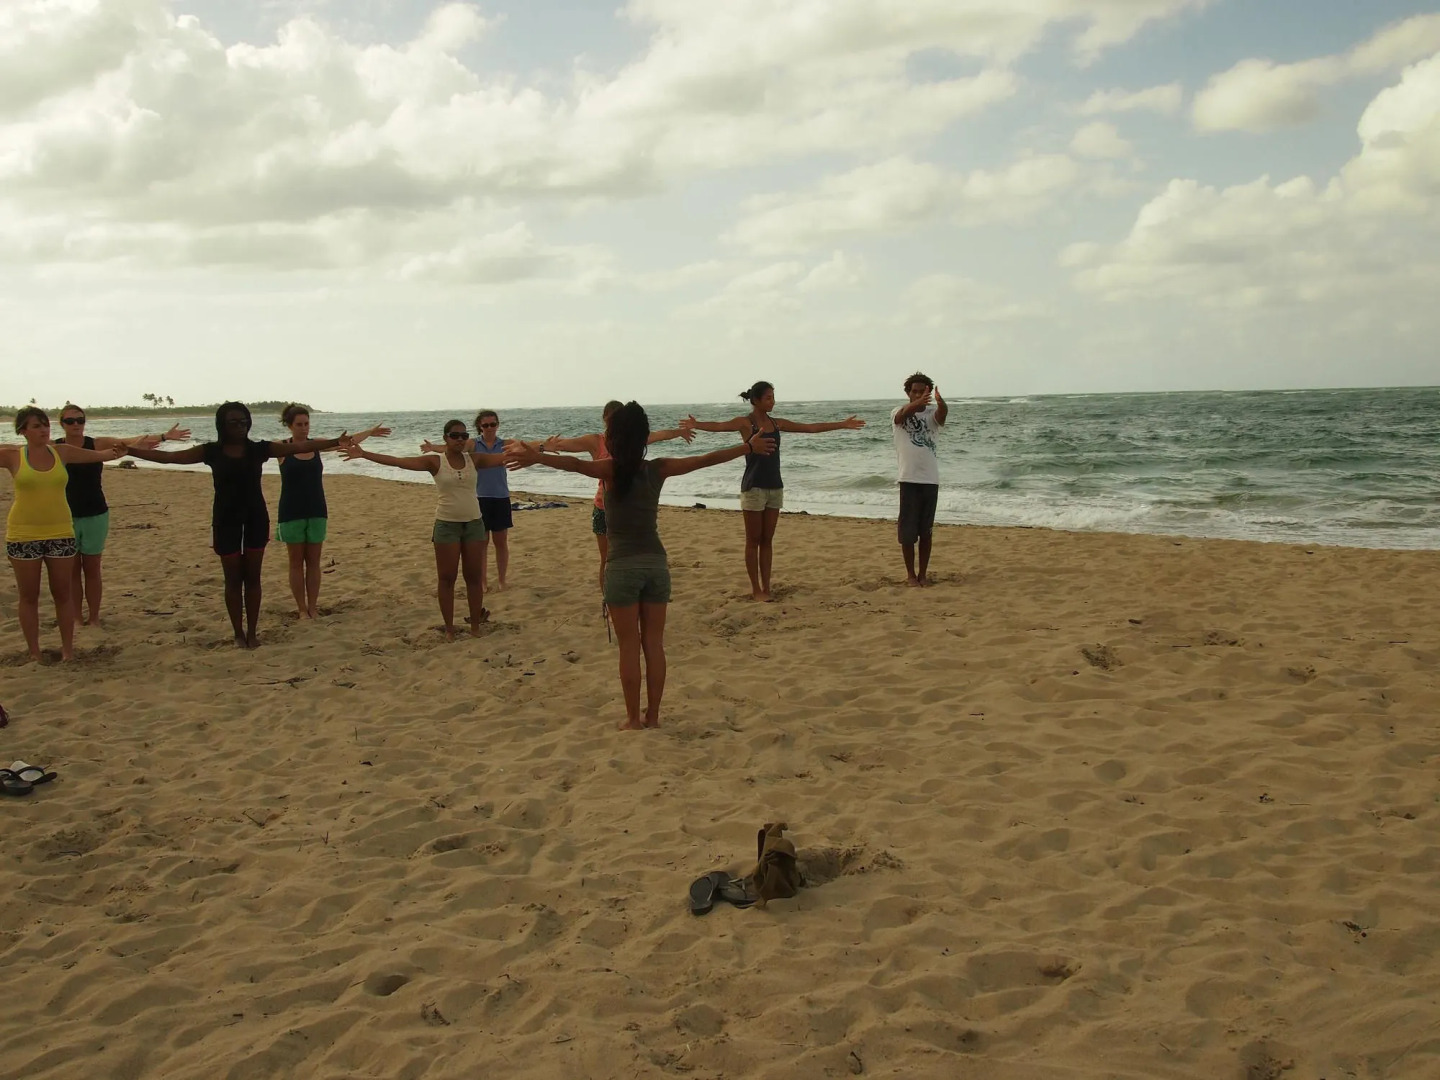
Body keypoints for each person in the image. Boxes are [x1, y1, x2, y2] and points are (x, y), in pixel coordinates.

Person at [506, 402, 774, 730]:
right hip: (656, 567)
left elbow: (574, 465)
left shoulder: (609, 469)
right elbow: (705, 459)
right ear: (645, 436)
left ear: (613, 437)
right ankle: (655, 716)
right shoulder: (657, 468)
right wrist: (748, 446)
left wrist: (536, 456)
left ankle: (633, 718)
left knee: (629, 648)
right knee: (654, 645)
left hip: (621, 568)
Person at [125, 402, 346, 648]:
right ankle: (238, 634)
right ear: (222, 425)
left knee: (253, 578)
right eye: (234, 422)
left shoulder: (259, 449)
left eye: (244, 422)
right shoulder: (210, 451)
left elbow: (303, 446)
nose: (240, 427)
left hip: (255, 519)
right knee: (232, 580)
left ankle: (252, 633)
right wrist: (130, 451)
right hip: (225, 520)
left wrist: (335, 441)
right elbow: (169, 458)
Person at [687, 381, 865, 601]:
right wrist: (697, 424)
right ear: (756, 400)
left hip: (775, 486)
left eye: (773, 397)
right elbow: (720, 426)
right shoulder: (745, 423)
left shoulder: (777, 423)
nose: (773, 401)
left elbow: (809, 428)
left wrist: (842, 424)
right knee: (753, 540)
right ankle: (755, 589)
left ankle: (767, 587)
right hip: (753, 487)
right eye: (769, 397)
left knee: (767, 540)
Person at [341, 418, 508, 640]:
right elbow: (399, 461)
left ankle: (475, 627)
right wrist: (364, 454)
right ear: (445, 438)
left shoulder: (475, 459)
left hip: (474, 524)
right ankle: (449, 629)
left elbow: (507, 457)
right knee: (447, 578)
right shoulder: (435, 462)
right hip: (447, 525)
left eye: (464, 436)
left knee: (474, 578)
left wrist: (541, 450)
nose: (460, 440)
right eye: (455, 436)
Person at [3, 407, 126, 662]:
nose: (43, 430)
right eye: (36, 426)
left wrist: (121, 449)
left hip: (60, 532)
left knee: (63, 594)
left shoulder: (62, 452)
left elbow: (100, 454)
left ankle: (68, 651)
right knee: (29, 596)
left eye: (46, 425)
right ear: (23, 431)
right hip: (23, 534)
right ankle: (35, 653)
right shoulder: (13, 456)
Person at [54, 403, 191, 626]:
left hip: (95, 513)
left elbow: (129, 441)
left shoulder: (96, 443)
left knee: (92, 568)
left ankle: (94, 617)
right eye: (70, 421)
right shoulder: (55, 447)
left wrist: (164, 436)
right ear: (62, 424)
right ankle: (77, 618)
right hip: (64, 515)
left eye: (80, 420)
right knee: (71, 572)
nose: (76, 424)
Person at [542, 402, 695, 596]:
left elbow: (660, 435)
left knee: (629, 557)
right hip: (603, 506)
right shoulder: (595, 441)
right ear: (605, 419)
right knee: (607, 559)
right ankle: (608, 599)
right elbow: (566, 449)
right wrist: (541, 448)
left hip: (627, 507)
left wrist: (680, 433)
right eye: (612, 418)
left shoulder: (632, 440)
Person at [277, 403, 390, 619]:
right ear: (289, 426)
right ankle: (301, 609)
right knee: (295, 562)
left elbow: (346, 441)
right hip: (291, 512)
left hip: (317, 509)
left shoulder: (316, 445)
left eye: (306, 423)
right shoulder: (281, 448)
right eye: (299, 424)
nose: (304, 428)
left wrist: (370, 432)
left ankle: (313, 607)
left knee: (313, 562)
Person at [420, 410, 526, 591]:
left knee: (501, 542)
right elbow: (453, 448)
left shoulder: (505, 444)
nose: (490, 428)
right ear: (479, 427)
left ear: (498, 425)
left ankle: (502, 580)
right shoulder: (473, 444)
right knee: (482, 543)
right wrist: (433, 448)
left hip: (501, 497)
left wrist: (544, 447)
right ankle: (483, 582)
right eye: (485, 425)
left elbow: (525, 447)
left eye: (493, 424)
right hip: (480, 498)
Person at [892, 373, 947, 586]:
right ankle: (910, 575)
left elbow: (942, 416)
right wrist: (915, 404)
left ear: (929, 393)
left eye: (922, 392)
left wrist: (942, 405)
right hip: (908, 479)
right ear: (908, 393)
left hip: (930, 481)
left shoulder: (932, 414)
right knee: (907, 533)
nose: (917, 395)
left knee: (926, 532)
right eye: (914, 391)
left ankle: (923, 574)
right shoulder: (898, 412)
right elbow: (901, 416)